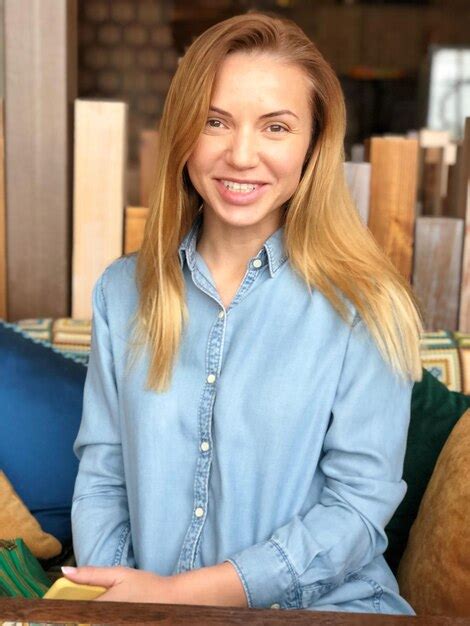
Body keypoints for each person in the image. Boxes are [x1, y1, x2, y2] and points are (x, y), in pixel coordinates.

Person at [65, 11, 423, 614]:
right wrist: (128, 603)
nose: (242, 154)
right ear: (183, 132)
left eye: (276, 127)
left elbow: (356, 513)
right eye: (215, 122)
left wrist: (179, 597)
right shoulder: (121, 292)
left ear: (313, 143)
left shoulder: (367, 303)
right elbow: (103, 478)